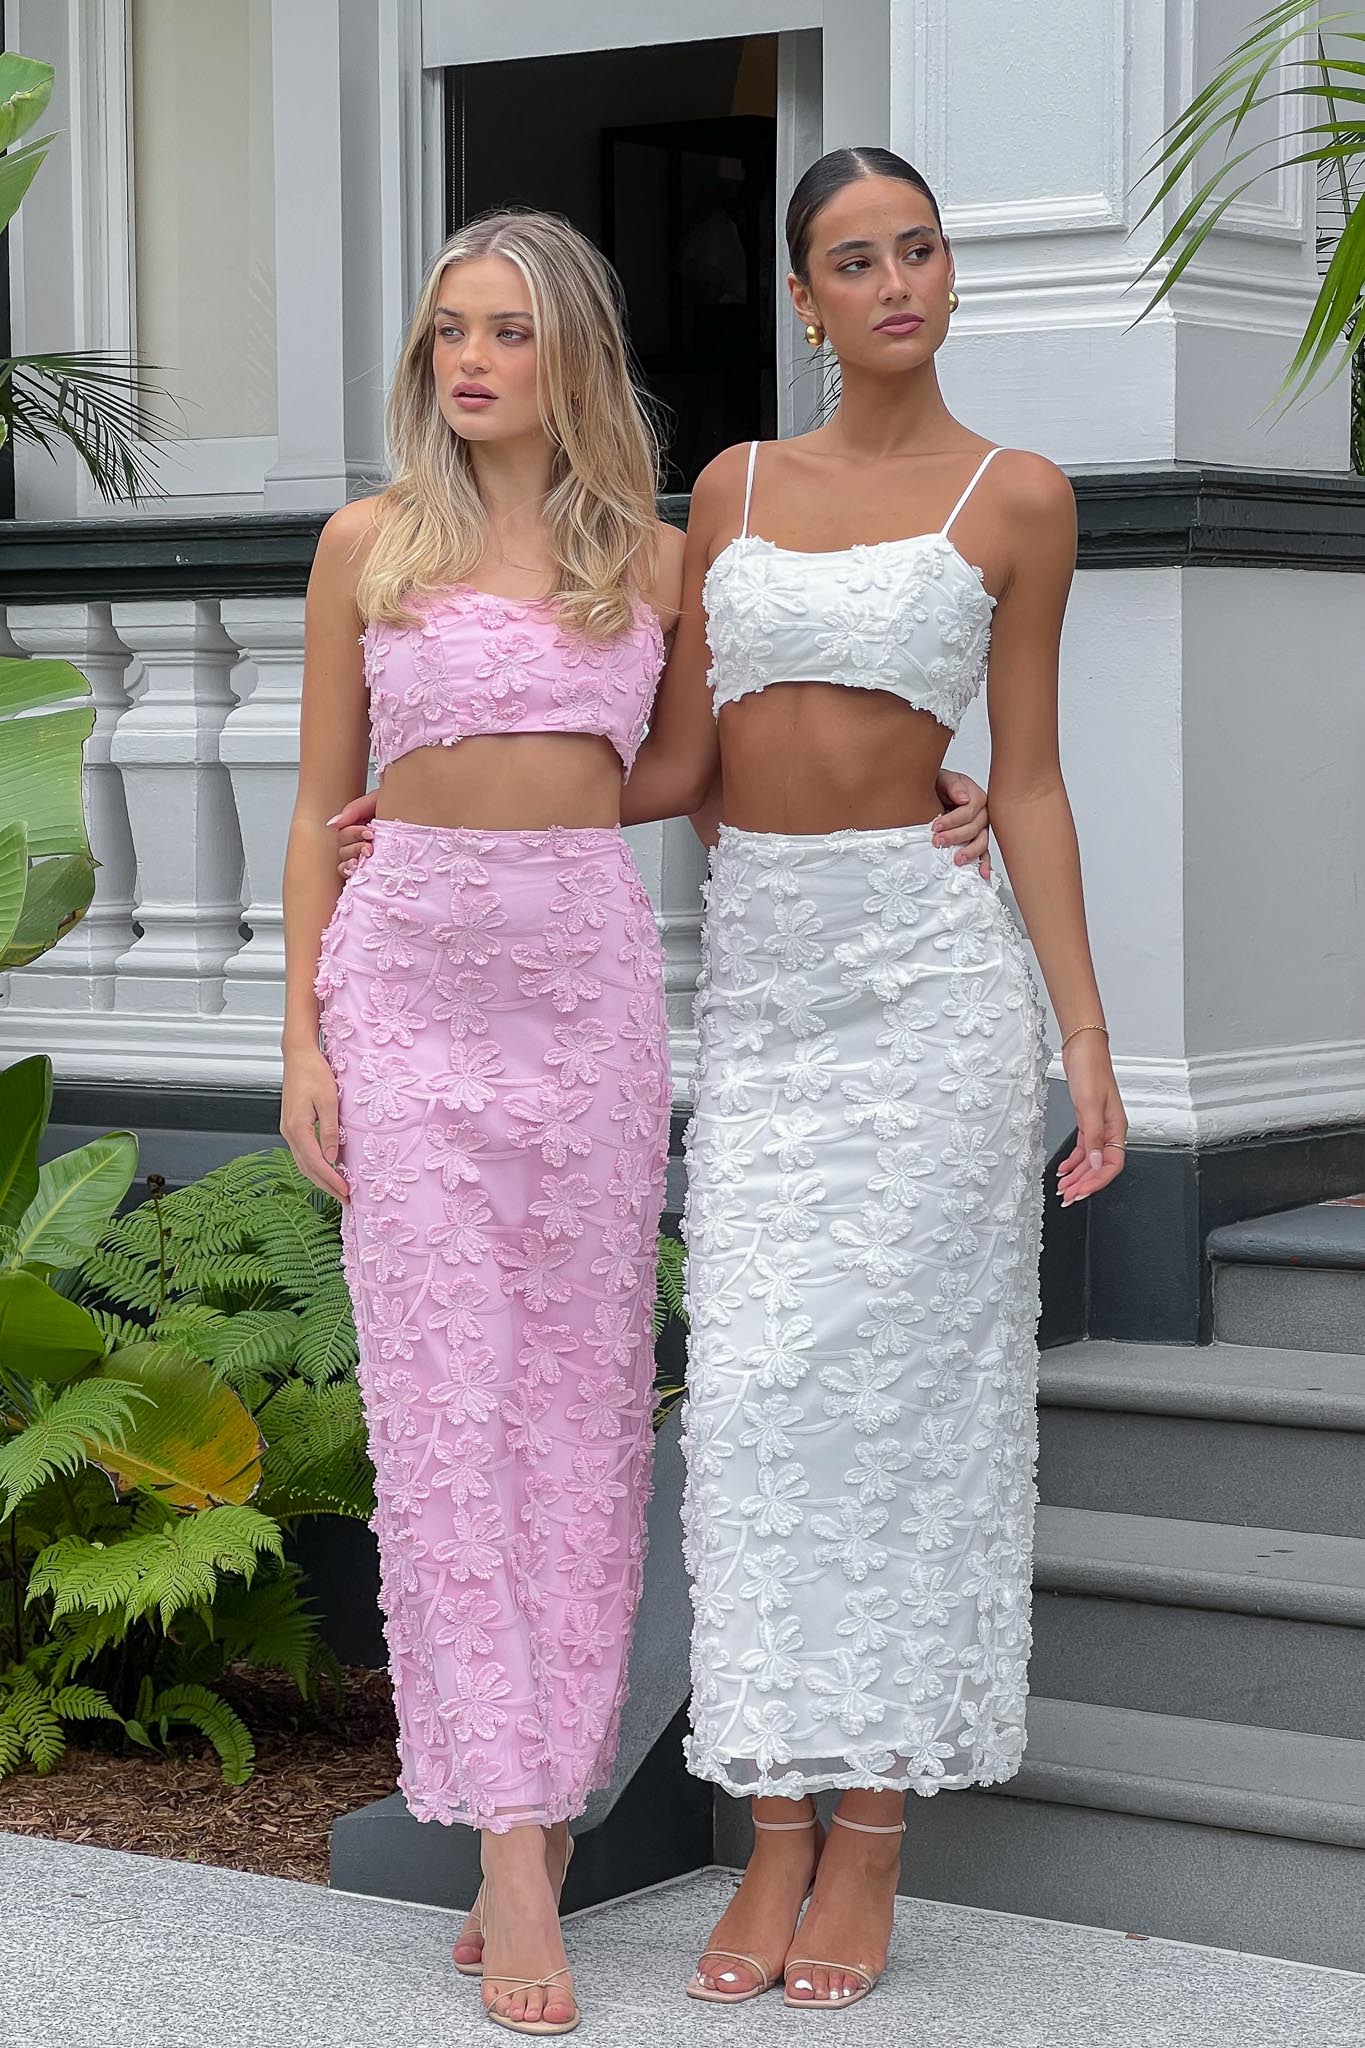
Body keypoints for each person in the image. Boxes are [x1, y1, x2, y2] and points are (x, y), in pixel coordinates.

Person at [616, 144, 1128, 2012]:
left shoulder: (1019, 497)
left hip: (930, 997)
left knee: (910, 1420)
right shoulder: (733, 488)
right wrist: (460, 799)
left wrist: (1082, 1040)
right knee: (760, 1410)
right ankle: (772, 1824)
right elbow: (683, 760)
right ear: (803, 297)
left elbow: (1032, 779)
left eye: (919, 248)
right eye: (855, 258)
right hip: (767, 993)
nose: (897, 281)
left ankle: (873, 1838)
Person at [279, 209, 683, 2037]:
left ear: (570, 353)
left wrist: (944, 789)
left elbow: (692, 767)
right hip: (408, 997)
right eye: (450, 329)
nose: (469, 360)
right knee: (444, 1419)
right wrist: (302, 1039)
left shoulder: (655, 559)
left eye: (507, 331)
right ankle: (513, 1857)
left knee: (579, 1420)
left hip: (586, 1002)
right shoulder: (366, 543)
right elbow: (320, 806)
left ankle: (548, 1788)